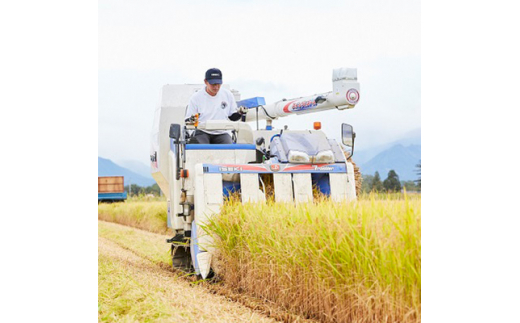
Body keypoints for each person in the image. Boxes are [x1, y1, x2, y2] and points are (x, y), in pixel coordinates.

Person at [185, 68, 246, 144]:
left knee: (229, 148)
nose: (216, 87)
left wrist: (240, 113)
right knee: (200, 148)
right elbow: (188, 120)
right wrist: (192, 120)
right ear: (206, 82)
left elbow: (232, 116)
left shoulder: (228, 95)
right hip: (203, 132)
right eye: (213, 84)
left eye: (218, 84)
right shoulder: (196, 98)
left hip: (222, 132)